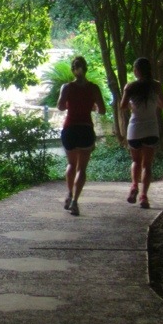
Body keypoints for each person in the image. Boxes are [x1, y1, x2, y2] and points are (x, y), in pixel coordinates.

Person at [57, 56, 106, 215]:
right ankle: (75, 202)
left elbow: (60, 107)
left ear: (73, 70)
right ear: (86, 69)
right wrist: (91, 107)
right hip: (85, 129)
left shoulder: (67, 87)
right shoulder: (94, 88)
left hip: (70, 129)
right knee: (82, 169)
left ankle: (70, 194)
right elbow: (102, 110)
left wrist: (71, 104)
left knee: (71, 164)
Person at [119, 57, 163, 209]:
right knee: (147, 164)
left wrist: (132, 106)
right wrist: (155, 103)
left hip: (135, 129)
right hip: (151, 129)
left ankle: (134, 186)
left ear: (136, 70)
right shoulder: (156, 86)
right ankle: (144, 197)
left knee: (135, 161)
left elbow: (122, 106)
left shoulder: (130, 86)